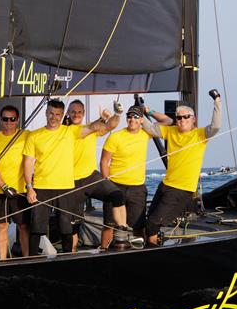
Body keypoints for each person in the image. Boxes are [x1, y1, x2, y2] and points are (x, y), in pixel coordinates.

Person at [22, 99, 114, 255]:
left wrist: (103, 119)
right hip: (41, 187)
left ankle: (66, 259)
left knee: (66, 227)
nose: (54, 117)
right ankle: (30, 260)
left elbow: (93, 128)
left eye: (58, 114)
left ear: (62, 115)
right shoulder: (34, 135)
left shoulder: (70, 132)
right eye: (51, 113)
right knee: (37, 227)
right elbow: (28, 163)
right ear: (46, 113)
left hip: (65, 187)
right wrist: (29, 187)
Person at [141, 95, 222, 246]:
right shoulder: (171, 131)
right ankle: (151, 246)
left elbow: (216, 126)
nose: (182, 120)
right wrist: (141, 115)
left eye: (186, 117)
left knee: (152, 225)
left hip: (182, 190)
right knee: (149, 222)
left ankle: (151, 252)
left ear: (193, 119)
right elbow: (151, 129)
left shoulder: (200, 135)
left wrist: (217, 101)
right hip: (165, 185)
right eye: (179, 118)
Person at [66, 99, 125, 250]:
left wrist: (117, 114)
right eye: (73, 111)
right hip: (72, 181)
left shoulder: (90, 128)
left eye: (79, 112)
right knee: (73, 225)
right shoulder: (66, 131)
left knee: (117, 195)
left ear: (84, 113)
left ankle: (122, 232)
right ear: (68, 113)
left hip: (91, 176)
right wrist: (102, 119)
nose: (76, 114)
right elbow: (94, 127)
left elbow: (110, 125)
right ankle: (71, 254)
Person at [0, 105, 30, 259]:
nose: (9, 122)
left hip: (20, 190)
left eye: (12, 119)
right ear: (0, 120)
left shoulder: (26, 136)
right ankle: (3, 260)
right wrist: (4, 186)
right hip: (0, 191)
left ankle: (27, 258)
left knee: (24, 226)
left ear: (17, 120)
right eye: (5, 119)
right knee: (2, 226)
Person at [101, 104, 152, 239]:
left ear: (141, 120)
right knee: (109, 225)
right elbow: (104, 161)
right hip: (116, 186)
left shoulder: (146, 134)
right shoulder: (115, 136)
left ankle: (138, 253)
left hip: (137, 188)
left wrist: (149, 112)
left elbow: (168, 122)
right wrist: (107, 185)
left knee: (138, 226)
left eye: (136, 116)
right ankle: (104, 251)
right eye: (129, 116)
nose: (132, 119)